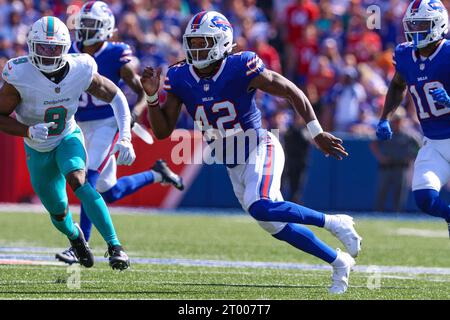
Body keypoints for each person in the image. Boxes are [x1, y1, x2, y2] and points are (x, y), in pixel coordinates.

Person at [140, 11, 362, 294]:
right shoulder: (179, 75)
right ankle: (338, 261)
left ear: (222, 42)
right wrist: (150, 96)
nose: (196, 49)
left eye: (203, 42)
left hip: (259, 147)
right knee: (275, 226)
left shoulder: (240, 65)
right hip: (232, 162)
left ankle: (333, 221)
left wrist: (316, 131)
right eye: (192, 43)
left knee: (260, 204)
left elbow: (291, 90)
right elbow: (162, 132)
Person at [55, 0, 184, 265]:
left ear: (106, 29)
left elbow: (140, 92)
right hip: (78, 126)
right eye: (83, 23)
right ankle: (157, 173)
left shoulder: (116, 54)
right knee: (107, 192)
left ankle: (81, 244)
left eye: (91, 24)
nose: (85, 28)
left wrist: (133, 116)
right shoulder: (68, 50)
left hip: (107, 124)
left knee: (86, 179)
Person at [0, 16, 133, 270]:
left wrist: (125, 135)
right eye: (43, 48)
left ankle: (115, 246)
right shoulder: (20, 74)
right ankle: (75, 237)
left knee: (78, 180)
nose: (49, 54)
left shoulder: (80, 67)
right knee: (58, 211)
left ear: (66, 47)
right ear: (31, 46)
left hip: (66, 137)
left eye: (54, 48)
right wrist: (26, 130)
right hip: (38, 150)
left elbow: (116, 97)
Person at [376, 0, 450, 237]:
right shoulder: (405, 54)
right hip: (433, 143)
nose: (416, 30)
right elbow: (398, 85)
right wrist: (384, 117)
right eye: (413, 25)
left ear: (439, 24)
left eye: (422, 24)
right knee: (424, 197)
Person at [371, 108, 420, 212]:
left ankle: (397, 214)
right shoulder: (385, 132)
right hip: (386, 167)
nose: (396, 122)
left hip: (401, 167)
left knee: (400, 193)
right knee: (382, 191)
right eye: (394, 120)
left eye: (398, 120)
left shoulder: (408, 135)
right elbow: (373, 143)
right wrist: (380, 157)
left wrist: (411, 156)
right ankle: (377, 213)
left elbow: (419, 146)